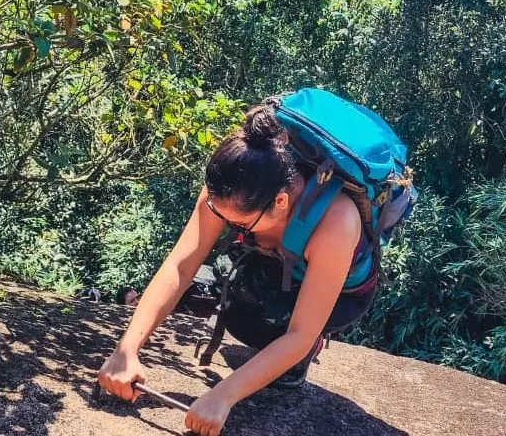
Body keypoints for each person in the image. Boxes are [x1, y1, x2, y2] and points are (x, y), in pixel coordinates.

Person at [97, 104, 380, 436]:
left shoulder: (336, 221)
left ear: (280, 202)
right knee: (238, 312)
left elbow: (298, 334)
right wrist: (125, 350)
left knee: (269, 333)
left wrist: (223, 396)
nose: (227, 225)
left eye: (239, 223)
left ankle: (308, 348)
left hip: (342, 291)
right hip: (275, 256)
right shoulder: (231, 183)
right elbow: (180, 265)